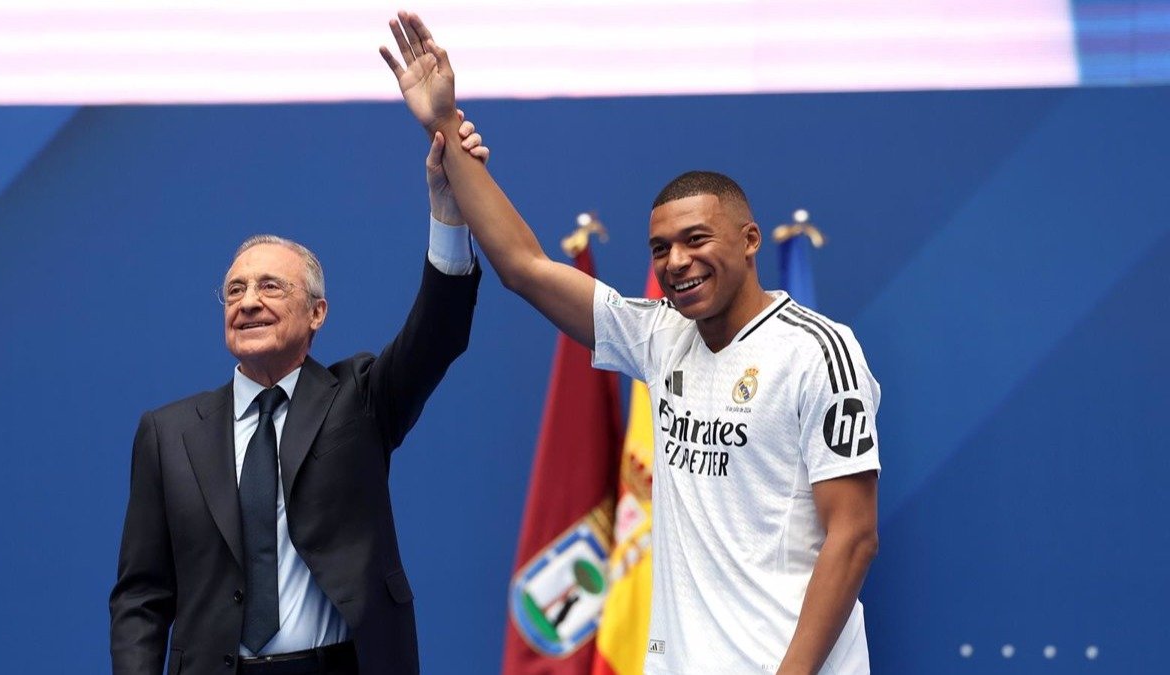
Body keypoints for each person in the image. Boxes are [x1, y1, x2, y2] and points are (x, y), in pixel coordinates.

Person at [380, 13, 880, 675]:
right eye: (660, 248)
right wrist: (441, 123)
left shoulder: (819, 351)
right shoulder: (657, 335)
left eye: (696, 239)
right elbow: (524, 267)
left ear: (750, 240)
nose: (676, 261)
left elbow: (853, 536)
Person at [109, 116, 490, 675]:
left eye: (271, 286)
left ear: (317, 313)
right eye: (235, 290)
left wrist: (449, 211)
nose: (247, 301)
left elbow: (438, 332)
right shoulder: (168, 435)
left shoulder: (358, 400)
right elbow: (141, 597)